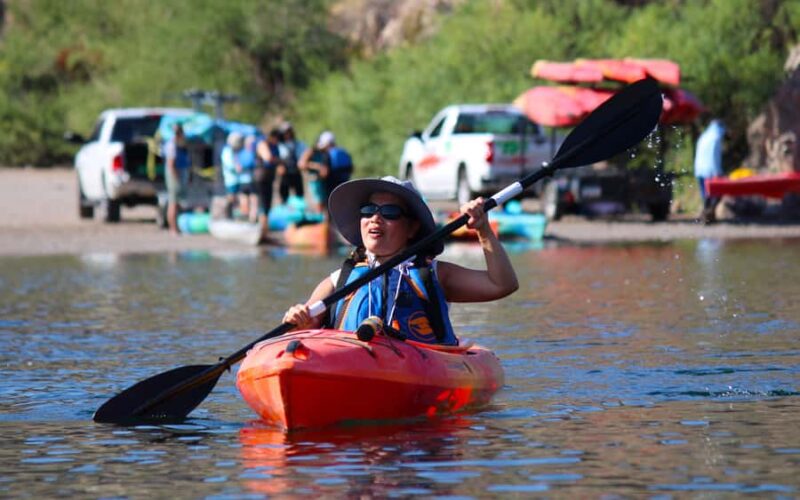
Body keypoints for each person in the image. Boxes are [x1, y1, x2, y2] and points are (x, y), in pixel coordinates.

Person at [282, 176, 518, 345]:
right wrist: (298, 320)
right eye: (368, 210)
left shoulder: (434, 274)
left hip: (417, 368)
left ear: (412, 227)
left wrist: (483, 229)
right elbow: (305, 329)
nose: (375, 218)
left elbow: (502, 285)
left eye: (390, 213)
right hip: (344, 364)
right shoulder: (337, 281)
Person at [694, 119, 725, 222]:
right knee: (716, 193)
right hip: (710, 171)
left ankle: (707, 215)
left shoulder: (704, 136)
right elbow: (714, 156)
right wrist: (717, 172)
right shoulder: (715, 138)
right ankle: (709, 214)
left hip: (700, 170)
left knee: (706, 195)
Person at [254, 128, 283, 239]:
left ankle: (265, 229)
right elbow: (268, 158)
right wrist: (280, 161)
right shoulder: (263, 144)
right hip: (261, 177)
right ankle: (262, 229)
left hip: (269, 178)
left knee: (268, 204)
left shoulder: (274, 146)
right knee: (263, 203)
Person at [164, 123, 191, 234]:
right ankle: (173, 228)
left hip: (181, 174)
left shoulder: (182, 144)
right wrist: (177, 178)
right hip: (174, 176)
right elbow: (171, 164)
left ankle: (178, 227)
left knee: (179, 202)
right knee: (173, 202)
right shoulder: (171, 145)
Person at [277, 121, 306, 204]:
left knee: (299, 194)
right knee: (283, 194)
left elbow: (304, 153)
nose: (287, 134)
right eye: (285, 132)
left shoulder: (299, 144)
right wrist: (279, 166)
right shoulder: (279, 145)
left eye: (289, 131)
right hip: (285, 173)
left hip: (296, 172)